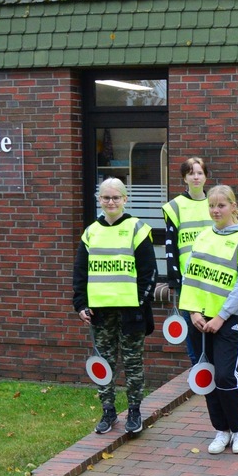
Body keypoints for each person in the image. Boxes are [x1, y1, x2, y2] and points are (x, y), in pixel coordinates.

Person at [179, 185, 238, 455]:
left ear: (233, 207)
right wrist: (192, 311)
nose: (215, 210)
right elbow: (190, 277)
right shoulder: (203, 237)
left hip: (228, 320)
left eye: (221, 205)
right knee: (207, 376)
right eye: (212, 206)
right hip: (199, 319)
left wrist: (221, 316)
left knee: (226, 376)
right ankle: (221, 430)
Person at [73, 178, 156, 436]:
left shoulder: (137, 229)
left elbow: (148, 272)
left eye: (116, 197)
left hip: (131, 311)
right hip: (100, 313)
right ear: (99, 200)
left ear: (125, 199)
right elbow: (80, 273)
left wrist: (140, 303)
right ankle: (108, 410)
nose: (111, 202)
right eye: (106, 198)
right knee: (104, 363)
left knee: (132, 364)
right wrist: (80, 304)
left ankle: (134, 411)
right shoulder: (90, 232)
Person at [158, 157, 213, 365]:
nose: (196, 177)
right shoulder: (175, 206)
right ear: (184, 178)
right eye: (191, 173)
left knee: (214, 325)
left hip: (214, 277)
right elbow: (170, 244)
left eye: (199, 173)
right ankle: (198, 370)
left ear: (206, 176)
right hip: (188, 280)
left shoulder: (215, 203)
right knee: (193, 329)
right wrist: (174, 278)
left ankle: (212, 369)